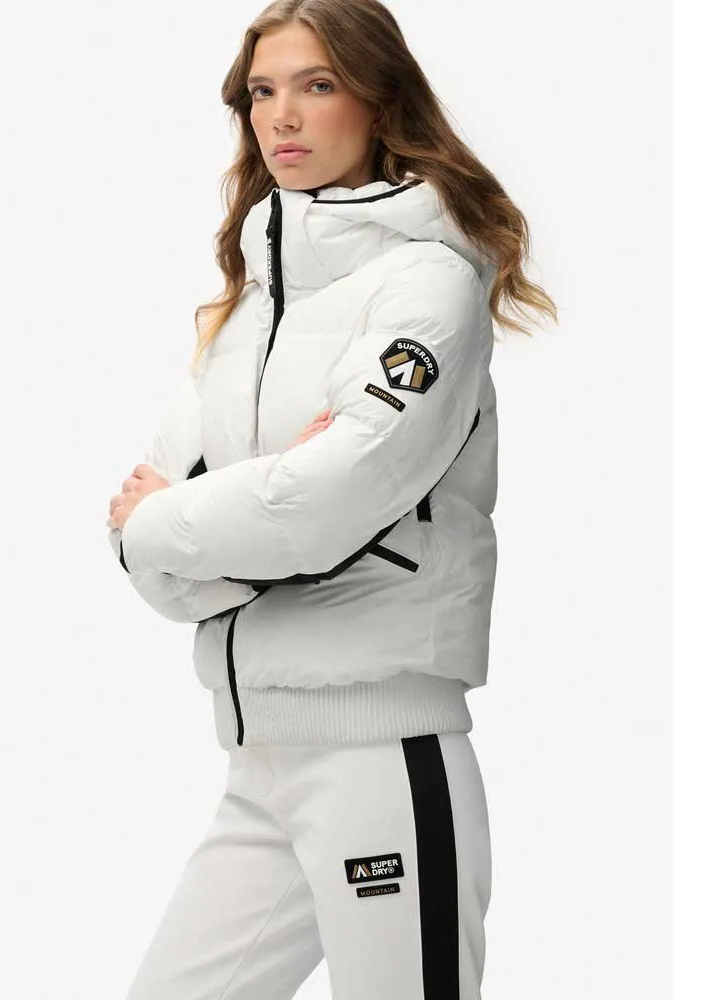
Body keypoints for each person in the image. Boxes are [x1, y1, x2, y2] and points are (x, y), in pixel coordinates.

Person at [105, 1, 556, 996]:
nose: (282, 117)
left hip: (383, 757)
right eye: (263, 92)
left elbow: (318, 509)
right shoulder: (248, 309)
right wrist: (232, 521)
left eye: (317, 85)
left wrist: (198, 520)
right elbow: (149, 544)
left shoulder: (426, 286)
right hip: (258, 760)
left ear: (378, 100)